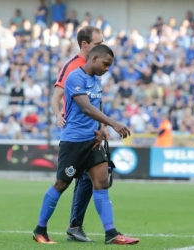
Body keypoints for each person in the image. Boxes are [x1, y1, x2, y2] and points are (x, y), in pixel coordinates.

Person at [33, 44, 140, 245]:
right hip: (73, 141)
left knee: (101, 183)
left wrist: (102, 128)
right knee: (61, 185)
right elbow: (85, 107)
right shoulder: (75, 77)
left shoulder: (96, 80)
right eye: (105, 64)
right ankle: (40, 230)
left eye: (109, 66)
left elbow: (98, 105)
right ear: (93, 58)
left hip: (92, 141)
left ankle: (111, 234)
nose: (107, 68)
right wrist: (113, 123)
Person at [51, 25, 107, 242]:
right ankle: (65, 226)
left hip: (92, 134)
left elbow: (97, 100)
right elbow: (56, 97)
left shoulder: (97, 65)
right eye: (98, 43)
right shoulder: (71, 67)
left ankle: (76, 226)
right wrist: (58, 114)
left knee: (89, 180)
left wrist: (102, 128)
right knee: (70, 181)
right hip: (75, 135)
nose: (102, 47)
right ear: (85, 44)